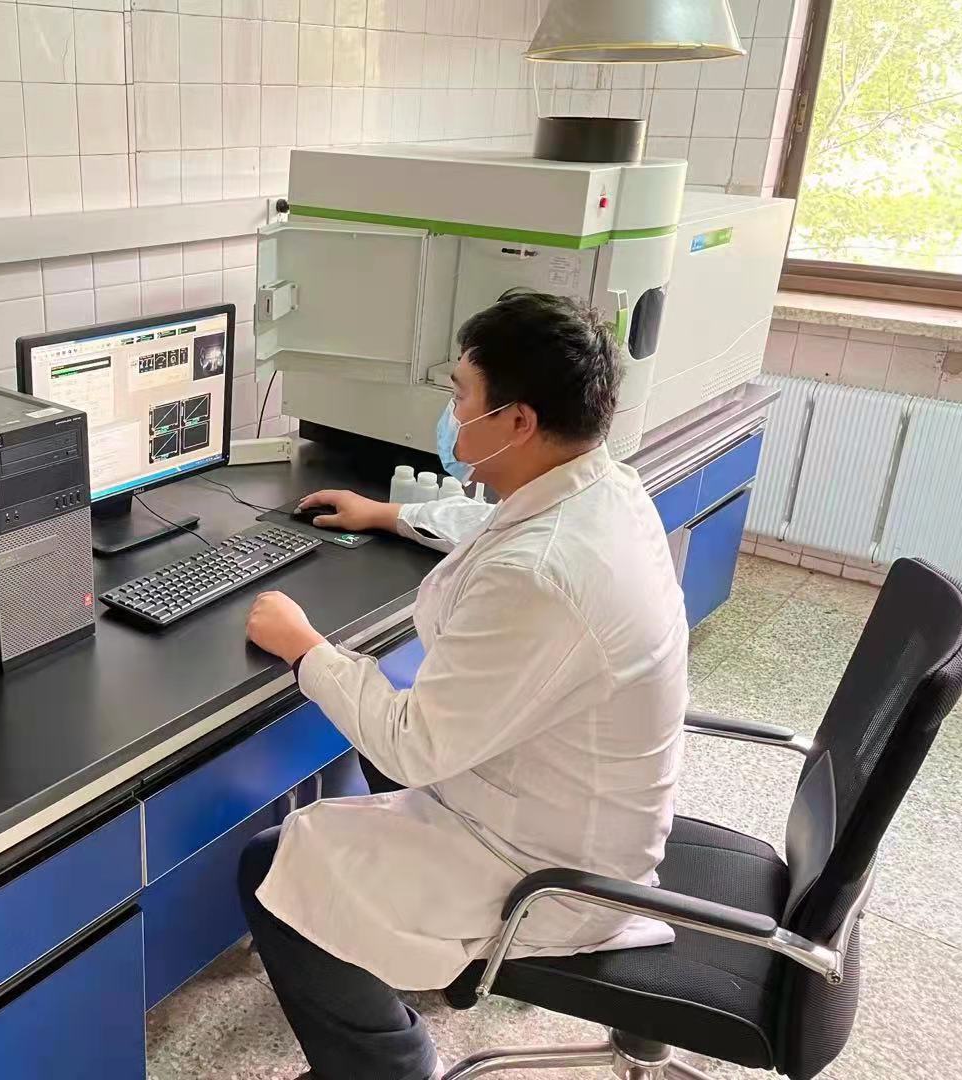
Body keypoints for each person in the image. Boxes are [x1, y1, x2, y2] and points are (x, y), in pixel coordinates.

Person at [240, 291, 690, 1080]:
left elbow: (414, 748)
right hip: (567, 797)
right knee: (375, 737)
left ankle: (390, 1066)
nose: (451, 414)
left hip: (548, 873)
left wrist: (306, 648)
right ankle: (394, 962)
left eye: (460, 395)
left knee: (272, 862)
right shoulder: (603, 488)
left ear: (516, 421)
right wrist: (391, 514)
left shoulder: (541, 576)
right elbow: (505, 528)